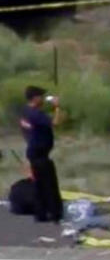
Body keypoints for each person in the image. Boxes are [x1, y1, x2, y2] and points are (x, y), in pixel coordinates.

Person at [19, 86, 63, 223]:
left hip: (34, 152)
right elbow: (55, 122)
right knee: (48, 184)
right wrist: (57, 107)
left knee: (39, 184)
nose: (43, 99)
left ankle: (41, 213)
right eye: (41, 96)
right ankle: (53, 212)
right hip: (40, 154)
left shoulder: (26, 112)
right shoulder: (36, 114)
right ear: (35, 98)